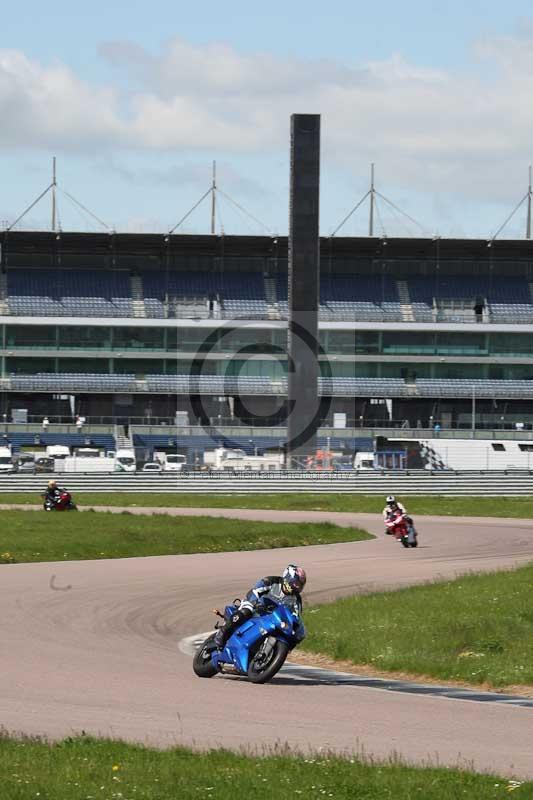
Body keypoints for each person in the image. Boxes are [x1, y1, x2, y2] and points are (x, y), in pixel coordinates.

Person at [214, 564, 307, 649]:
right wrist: (255, 603)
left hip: (272, 618)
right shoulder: (271, 581)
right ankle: (222, 634)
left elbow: (296, 615)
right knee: (247, 610)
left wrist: (297, 629)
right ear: (287, 578)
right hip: (256, 607)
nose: (297, 587)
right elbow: (255, 591)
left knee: (288, 632)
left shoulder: (296, 599)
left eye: (299, 585)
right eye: (295, 583)